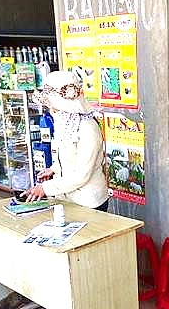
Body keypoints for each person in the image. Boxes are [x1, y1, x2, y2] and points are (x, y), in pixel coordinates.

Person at [21, 70, 109, 211]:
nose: (50, 108)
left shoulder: (88, 128)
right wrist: (53, 169)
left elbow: (82, 174)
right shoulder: (66, 123)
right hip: (68, 197)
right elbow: (69, 155)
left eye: (51, 103)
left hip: (88, 201)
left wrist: (45, 188)